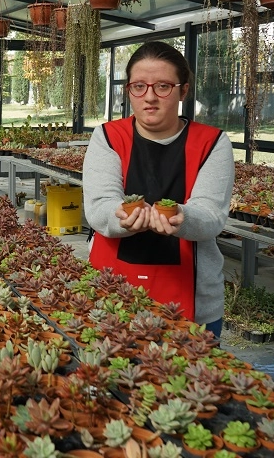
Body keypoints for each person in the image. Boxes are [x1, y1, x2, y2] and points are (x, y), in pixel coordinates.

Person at [82, 41, 234, 337]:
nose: (149, 97)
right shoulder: (109, 137)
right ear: (129, 90)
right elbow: (99, 207)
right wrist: (121, 218)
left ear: (183, 91)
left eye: (163, 86)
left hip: (193, 299)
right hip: (112, 288)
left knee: (190, 378)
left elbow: (211, 216)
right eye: (139, 86)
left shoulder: (212, 143)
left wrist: (182, 218)